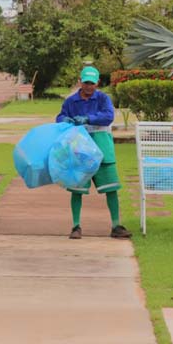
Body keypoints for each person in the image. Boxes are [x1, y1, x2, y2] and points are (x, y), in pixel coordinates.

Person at [56, 66, 131, 239]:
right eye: (86, 82)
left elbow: (108, 116)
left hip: (102, 147)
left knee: (111, 188)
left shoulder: (103, 99)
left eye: (92, 83)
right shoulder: (71, 101)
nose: (89, 86)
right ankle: (76, 226)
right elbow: (60, 116)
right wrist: (64, 120)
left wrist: (89, 118)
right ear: (80, 81)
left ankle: (116, 225)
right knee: (77, 190)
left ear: (97, 83)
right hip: (80, 149)